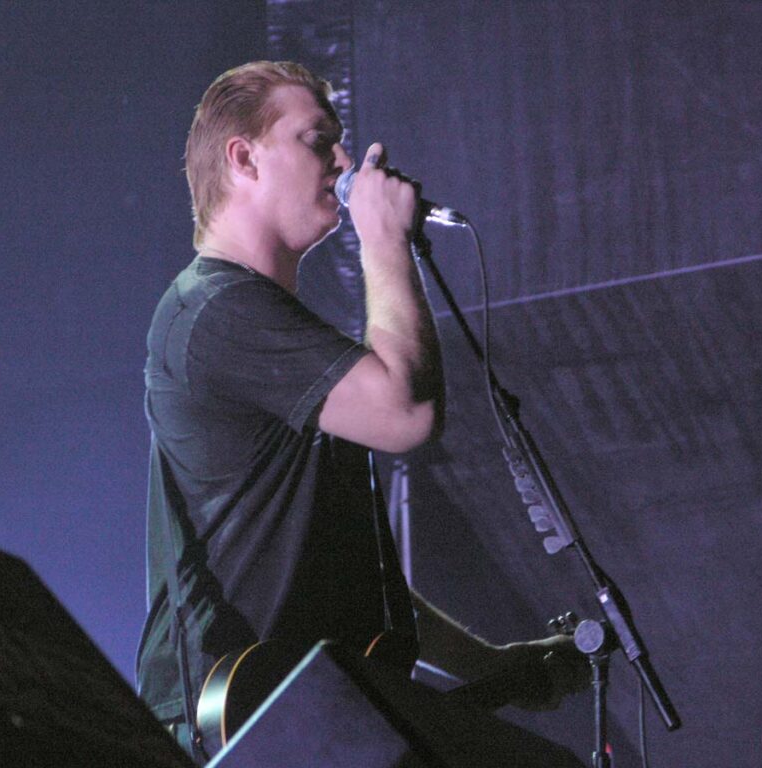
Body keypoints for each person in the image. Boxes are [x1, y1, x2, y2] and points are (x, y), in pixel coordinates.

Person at [135, 61, 586, 764]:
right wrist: (382, 237)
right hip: (237, 720)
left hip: (308, 709)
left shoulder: (273, 329)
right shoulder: (216, 311)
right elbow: (405, 412)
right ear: (244, 158)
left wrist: (493, 665)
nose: (344, 160)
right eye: (318, 140)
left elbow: (364, 590)